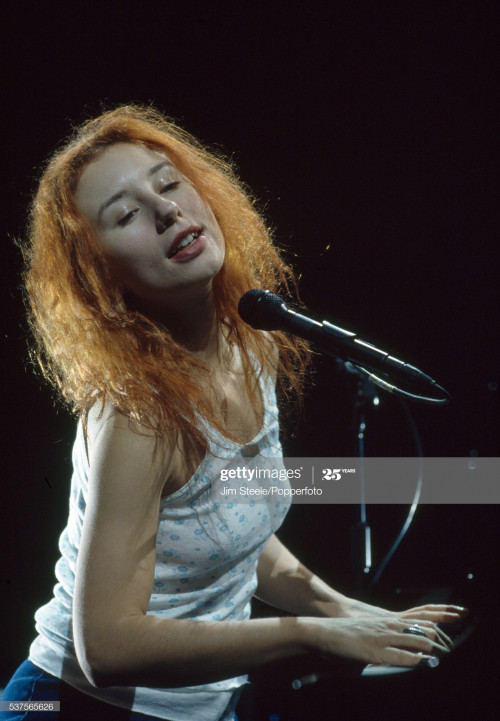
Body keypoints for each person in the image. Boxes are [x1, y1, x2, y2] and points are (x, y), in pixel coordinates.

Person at [1, 105, 465, 721]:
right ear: (99, 276)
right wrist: (311, 633)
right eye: (127, 214)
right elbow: (106, 647)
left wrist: (350, 612)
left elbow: (233, 525)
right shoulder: (138, 416)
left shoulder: (250, 338)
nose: (168, 210)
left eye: (168, 184)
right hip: (71, 704)